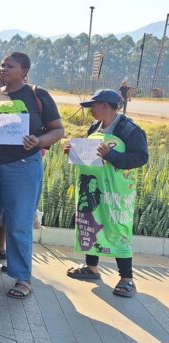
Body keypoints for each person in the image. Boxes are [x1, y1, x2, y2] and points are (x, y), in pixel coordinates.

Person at [0, 52, 64, 299]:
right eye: (2, 64)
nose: (3, 68)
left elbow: (58, 130)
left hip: (22, 166)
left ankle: (22, 277)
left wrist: (38, 140)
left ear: (24, 71)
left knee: (18, 223)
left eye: (10, 65)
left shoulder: (37, 95)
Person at [64, 89, 148, 298]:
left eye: (93, 105)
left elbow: (140, 157)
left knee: (117, 228)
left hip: (117, 191)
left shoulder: (129, 130)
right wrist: (74, 152)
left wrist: (112, 155)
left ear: (104, 105)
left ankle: (127, 279)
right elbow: (91, 155)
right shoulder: (95, 127)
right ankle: (91, 267)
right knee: (91, 222)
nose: (90, 110)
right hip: (93, 186)